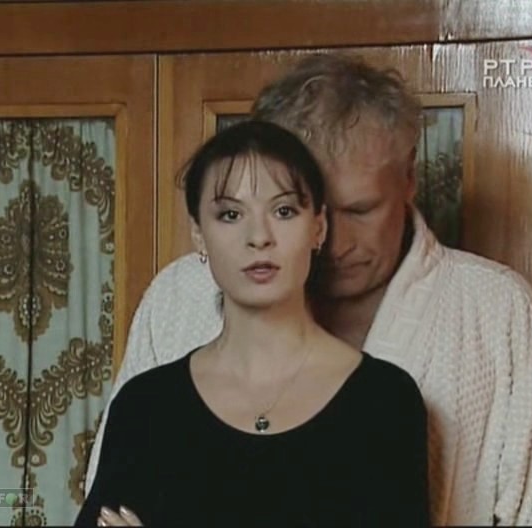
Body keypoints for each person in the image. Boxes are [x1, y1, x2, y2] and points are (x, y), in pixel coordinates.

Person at [85, 54, 532, 525]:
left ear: (409, 178)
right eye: (294, 209)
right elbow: (112, 502)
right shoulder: (178, 298)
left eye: (360, 210)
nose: (333, 240)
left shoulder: (497, 313)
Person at [75, 120, 429, 527]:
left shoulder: (384, 402)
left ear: (318, 227)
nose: (259, 237)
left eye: (283, 211)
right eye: (230, 214)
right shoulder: (146, 408)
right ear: (198, 235)